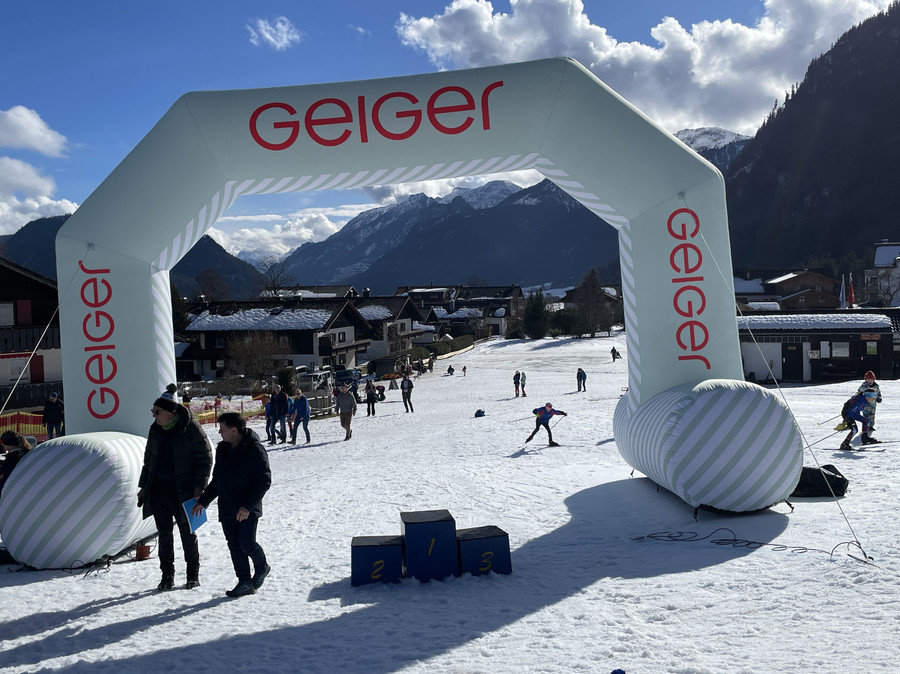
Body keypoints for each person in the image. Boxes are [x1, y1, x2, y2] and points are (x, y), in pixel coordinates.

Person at [137, 394, 213, 591]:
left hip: (184, 491)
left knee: (188, 533)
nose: (154, 416)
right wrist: (143, 487)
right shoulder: (155, 429)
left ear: (171, 413)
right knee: (164, 534)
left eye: (157, 412)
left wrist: (199, 488)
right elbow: (148, 460)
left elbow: (205, 459)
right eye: (152, 411)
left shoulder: (191, 428)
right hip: (159, 490)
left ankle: (192, 575)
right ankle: (167, 576)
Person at [192, 412, 271, 598]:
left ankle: (262, 566)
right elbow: (217, 480)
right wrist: (203, 501)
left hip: (246, 508)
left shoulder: (254, 449)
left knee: (246, 543)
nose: (219, 432)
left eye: (222, 428)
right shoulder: (223, 449)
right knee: (234, 545)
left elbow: (264, 481)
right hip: (227, 506)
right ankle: (244, 581)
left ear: (234, 430)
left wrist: (247, 506)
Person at [0, 430, 32, 499]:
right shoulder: (26, 453)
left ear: (9, 443)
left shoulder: (12, 458)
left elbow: (4, 475)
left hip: (11, 493)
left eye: (2, 442)